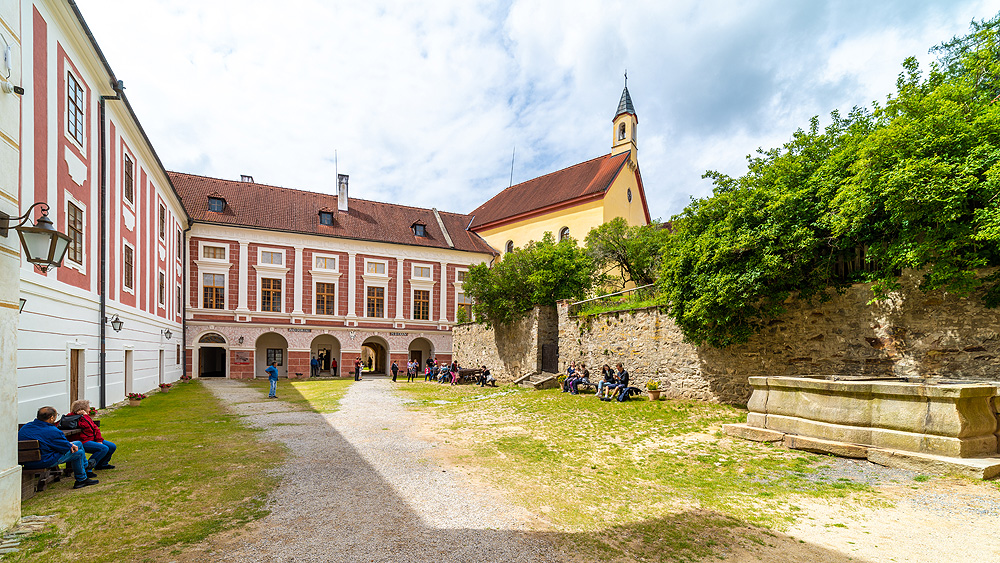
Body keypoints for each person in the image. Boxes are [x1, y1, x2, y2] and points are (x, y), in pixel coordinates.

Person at [19, 406, 98, 489]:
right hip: (44, 460)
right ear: (51, 418)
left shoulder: (26, 427)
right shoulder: (52, 431)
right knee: (79, 453)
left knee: (78, 443)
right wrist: (69, 445)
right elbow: (63, 448)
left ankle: (85, 465)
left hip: (26, 461)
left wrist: (69, 445)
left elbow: (62, 445)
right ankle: (81, 479)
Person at [70, 399, 116, 470]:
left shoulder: (85, 417)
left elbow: (95, 428)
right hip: (82, 441)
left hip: (91, 439)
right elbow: (86, 425)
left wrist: (99, 440)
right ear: (82, 409)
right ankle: (88, 468)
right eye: (88, 407)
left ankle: (102, 464)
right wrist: (85, 416)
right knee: (103, 448)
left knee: (112, 446)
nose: (89, 409)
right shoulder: (72, 418)